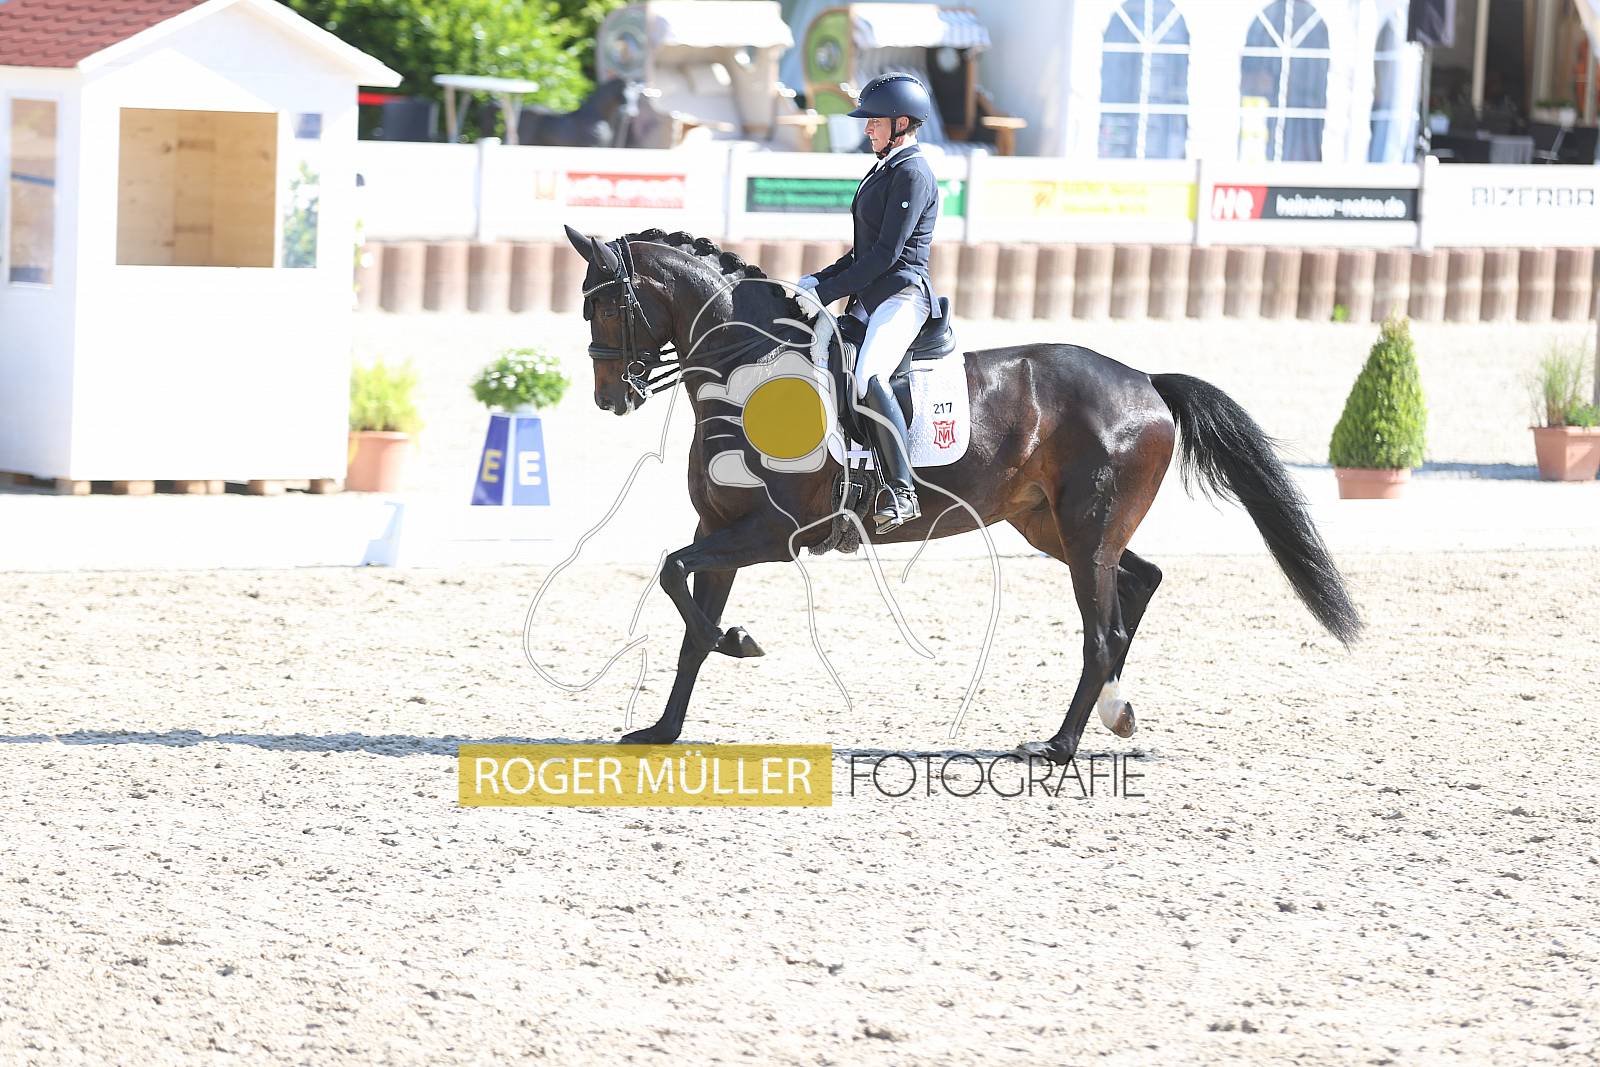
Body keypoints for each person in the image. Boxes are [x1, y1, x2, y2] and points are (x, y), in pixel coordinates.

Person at [796, 72, 943, 533]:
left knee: (868, 375)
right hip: (870, 296)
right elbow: (863, 253)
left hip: (901, 295)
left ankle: (902, 491)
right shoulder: (885, 168)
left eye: (874, 121)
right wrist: (817, 280)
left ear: (901, 123)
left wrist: (826, 293)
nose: (867, 129)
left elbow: (886, 257)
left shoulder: (913, 173)